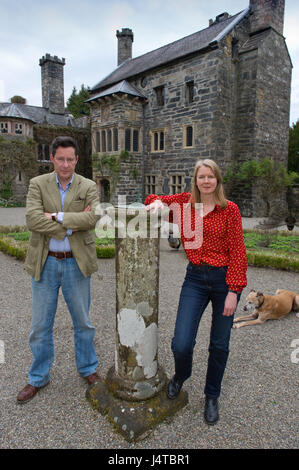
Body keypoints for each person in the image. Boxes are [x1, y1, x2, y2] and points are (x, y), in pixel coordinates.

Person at [145, 159, 247, 424]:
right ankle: (181, 375)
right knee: (181, 342)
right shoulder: (184, 204)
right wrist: (157, 203)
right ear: (196, 180)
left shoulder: (230, 210)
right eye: (201, 176)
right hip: (195, 278)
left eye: (210, 176)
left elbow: (238, 252)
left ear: (217, 180)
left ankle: (212, 395)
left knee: (219, 344)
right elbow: (153, 198)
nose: (206, 181)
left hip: (223, 280)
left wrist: (234, 291)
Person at [17, 136, 101, 404]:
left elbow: (94, 217)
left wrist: (55, 216)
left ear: (77, 160)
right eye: (60, 159)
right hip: (46, 261)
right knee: (40, 325)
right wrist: (73, 224)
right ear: (52, 158)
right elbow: (32, 219)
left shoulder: (87, 185)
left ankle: (88, 368)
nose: (65, 164)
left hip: (76, 263)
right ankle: (38, 377)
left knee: (83, 323)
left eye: (70, 159)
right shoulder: (37, 184)